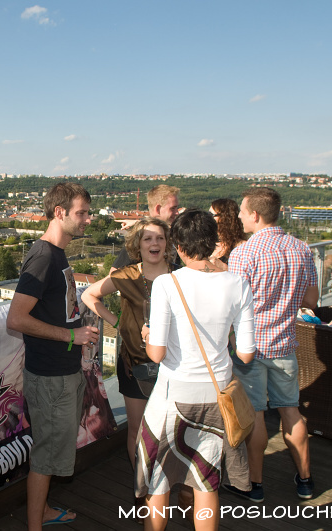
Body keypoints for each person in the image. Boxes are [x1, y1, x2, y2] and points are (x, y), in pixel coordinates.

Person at [136, 210, 255, 531]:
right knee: (206, 483)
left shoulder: (167, 283)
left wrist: (148, 335)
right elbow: (245, 353)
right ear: (214, 241)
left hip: (174, 397)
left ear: (178, 245)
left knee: (158, 485)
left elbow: (156, 354)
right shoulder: (238, 283)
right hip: (216, 398)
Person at [6, 182, 98, 529]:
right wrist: (70, 335)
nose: (88, 219)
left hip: (62, 373)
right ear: (59, 213)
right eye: (82, 213)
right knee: (45, 457)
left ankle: (42, 512)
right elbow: (16, 318)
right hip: (50, 377)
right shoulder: (44, 256)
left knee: (51, 450)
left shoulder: (56, 254)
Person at [227, 187, 319, 502]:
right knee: (290, 412)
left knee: (254, 415)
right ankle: (305, 480)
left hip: (250, 348)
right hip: (285, 345)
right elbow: (311, 300)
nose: (239, 216)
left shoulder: (243, 253)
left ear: (255, 214)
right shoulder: (302, 249)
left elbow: (234, 305)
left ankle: (255, 484)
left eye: (242, 211)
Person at [81, 217, 172, 469]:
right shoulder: (127, 275)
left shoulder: (179, 275)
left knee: (169, 429)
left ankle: (164, 480)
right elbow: (89, 294)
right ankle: (141, 483)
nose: (154, 243)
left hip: (173, 365)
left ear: (167, 243)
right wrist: (117, 320)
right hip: (134, 364)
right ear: (138, 245)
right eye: (148, 238)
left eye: (160, 238)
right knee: (137, 428)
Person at [110, 185, 181, 272]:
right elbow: (114, 275)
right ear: (158, 209)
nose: (177, 212)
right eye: (173, 208)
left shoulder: (172, 235)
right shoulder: (138, 239)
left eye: (160, 238)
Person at [209, 198, 247, 267]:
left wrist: (223, 267)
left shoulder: (241, 246)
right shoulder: (208, 242)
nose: (208, 218)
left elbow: (243, 274)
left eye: (211, 214)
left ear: (224, 218)